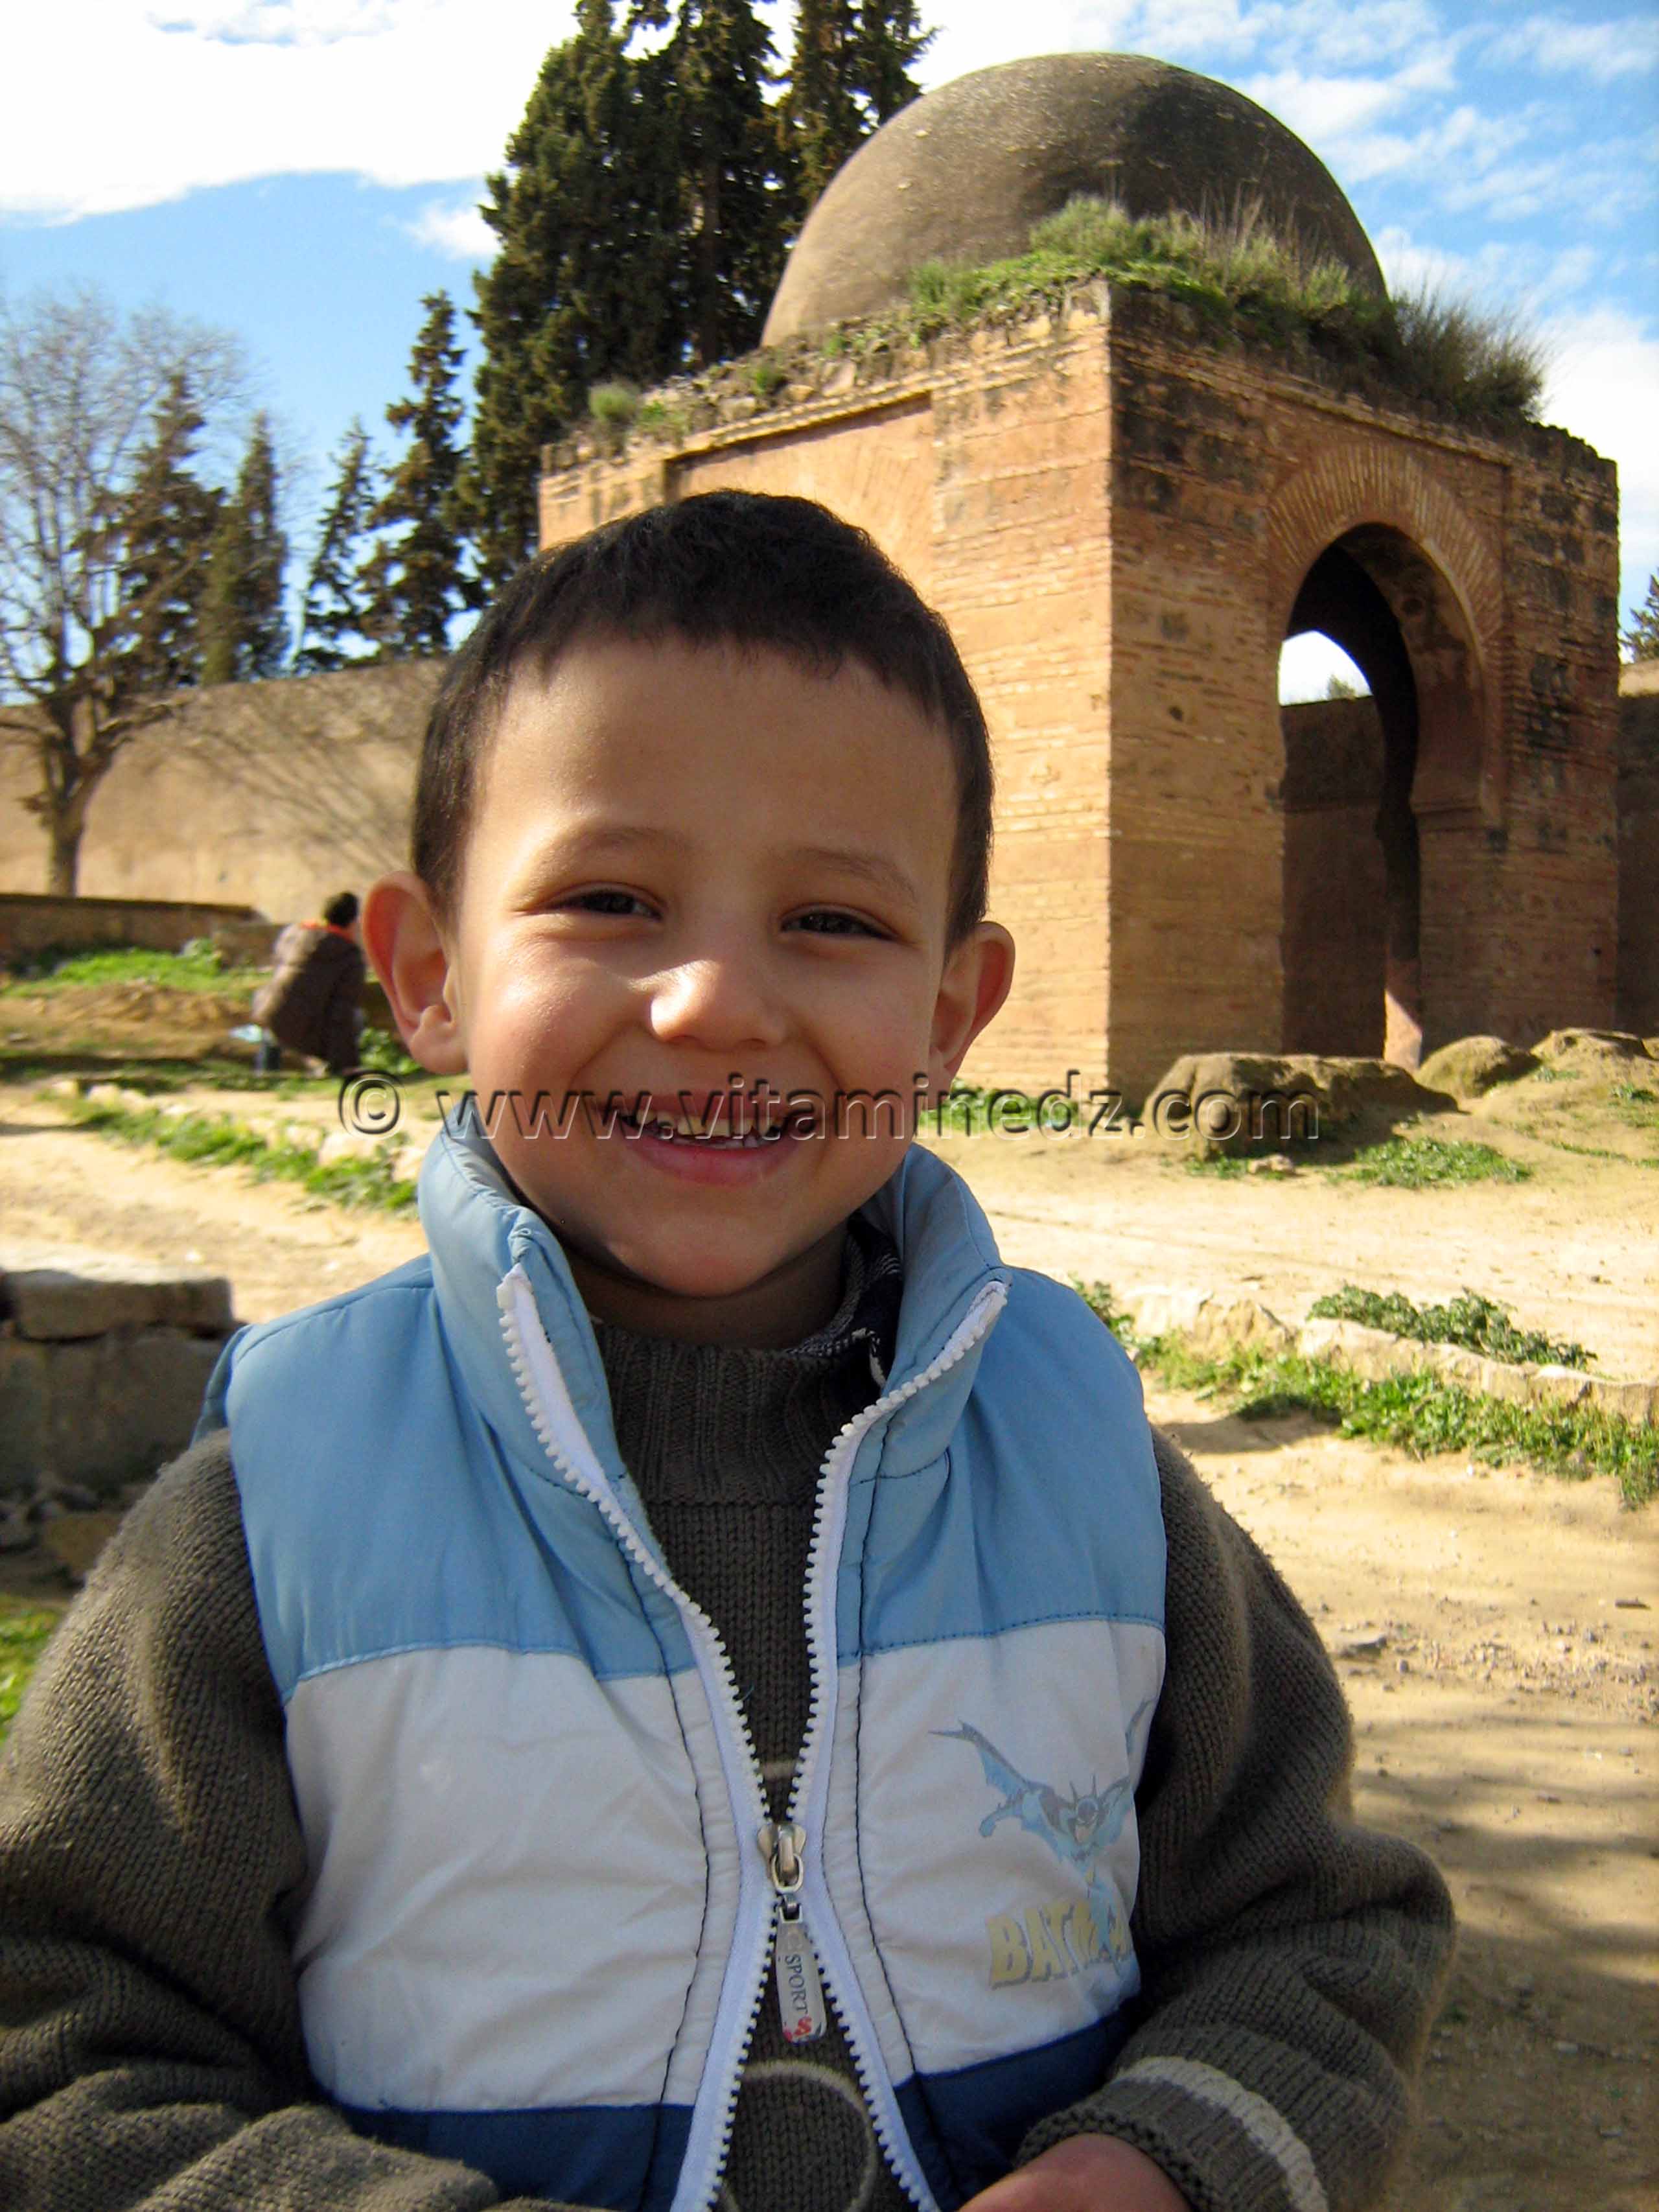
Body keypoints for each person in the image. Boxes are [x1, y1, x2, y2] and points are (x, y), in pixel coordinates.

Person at [0, 493, 1454, 2212]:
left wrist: (1166, 2162)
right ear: (428, 975)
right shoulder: (281, 1505)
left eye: (833, 922)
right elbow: (69, 2052)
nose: (714, 1003)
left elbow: (1317, 1933)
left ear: (949, 1013)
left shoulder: (1086, 1466)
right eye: (612, 896)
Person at [250, 889, 366, 1075]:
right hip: (303, 1030)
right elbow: (342, 1013)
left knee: (279, 1002)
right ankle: (332, 1067)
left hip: (268, 1015)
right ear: (353, 922)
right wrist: (347, 1064)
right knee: (357, 1018)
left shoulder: (294, 934)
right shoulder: (349, 957)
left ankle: (266, 1071)